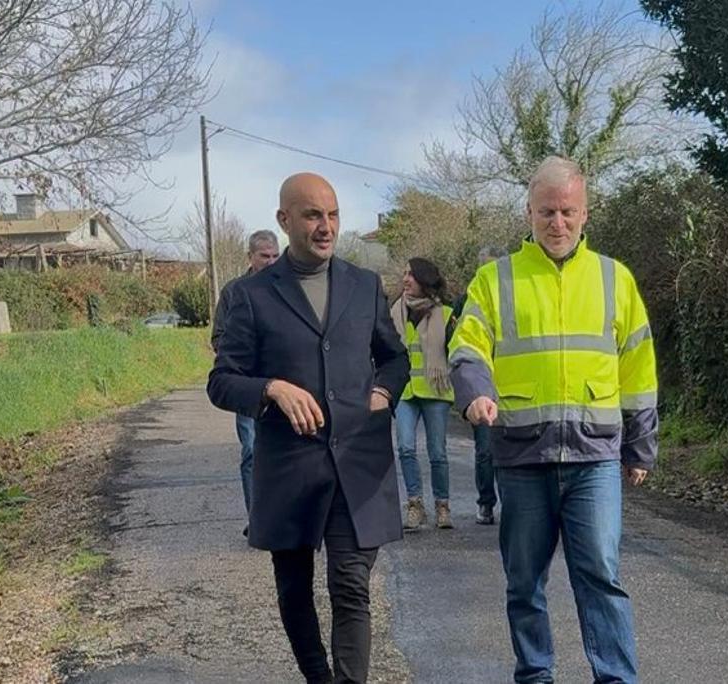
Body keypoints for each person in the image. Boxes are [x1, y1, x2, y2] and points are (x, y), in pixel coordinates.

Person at [449, 156, 659, 684]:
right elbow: (467, 346)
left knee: (602, 579)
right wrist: (474, 393)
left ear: (585, 213)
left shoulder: (615, 279)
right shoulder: (495, 280)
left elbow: (638, 367)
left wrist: (640, 447)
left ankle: (616, 678)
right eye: (547, 212)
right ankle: (535, 674)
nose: (557, 223)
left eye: (567, 211)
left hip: (595, 458)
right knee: (524, 583)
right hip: (522, 455)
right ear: (529, 211)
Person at [207, 172, 409, 684]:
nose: (326, 226)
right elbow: (222, 381)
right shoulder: (250, 296)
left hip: (357, 463)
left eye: (333, 214)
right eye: (313, 215)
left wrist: (383, 393)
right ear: (284, 220)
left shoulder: (364, 286)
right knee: (293, 589)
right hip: (290, 466)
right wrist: (271, 387)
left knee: (350, 585)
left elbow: (394, 359)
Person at [211, 229, 280, 536]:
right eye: (264, 256)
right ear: (250, 257)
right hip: (249, 388)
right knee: (252, 449)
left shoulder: (289, 287)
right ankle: (259, 520)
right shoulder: (234, 292)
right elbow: (218, 337)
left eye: (275, 255)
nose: (271, 261)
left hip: (285, 385)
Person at [390, 257, 456, 531]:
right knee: (405, 447)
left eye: (411, 275)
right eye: (404, 274)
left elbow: (458, 355)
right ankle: (415, 504)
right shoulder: (393, 312)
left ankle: (442, 505)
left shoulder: (448, 314)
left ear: (424, 280)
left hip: (436, 391)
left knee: (437, 452)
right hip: (405, 391)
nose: (405, 279)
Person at [449, 245, 508, 525]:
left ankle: (514, 505)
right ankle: (486, 502)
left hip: (513, 387)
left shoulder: (513, 295)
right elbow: (458, 341)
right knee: (485, 448)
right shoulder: (465, 302)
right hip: (480, 385)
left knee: (510, 449)